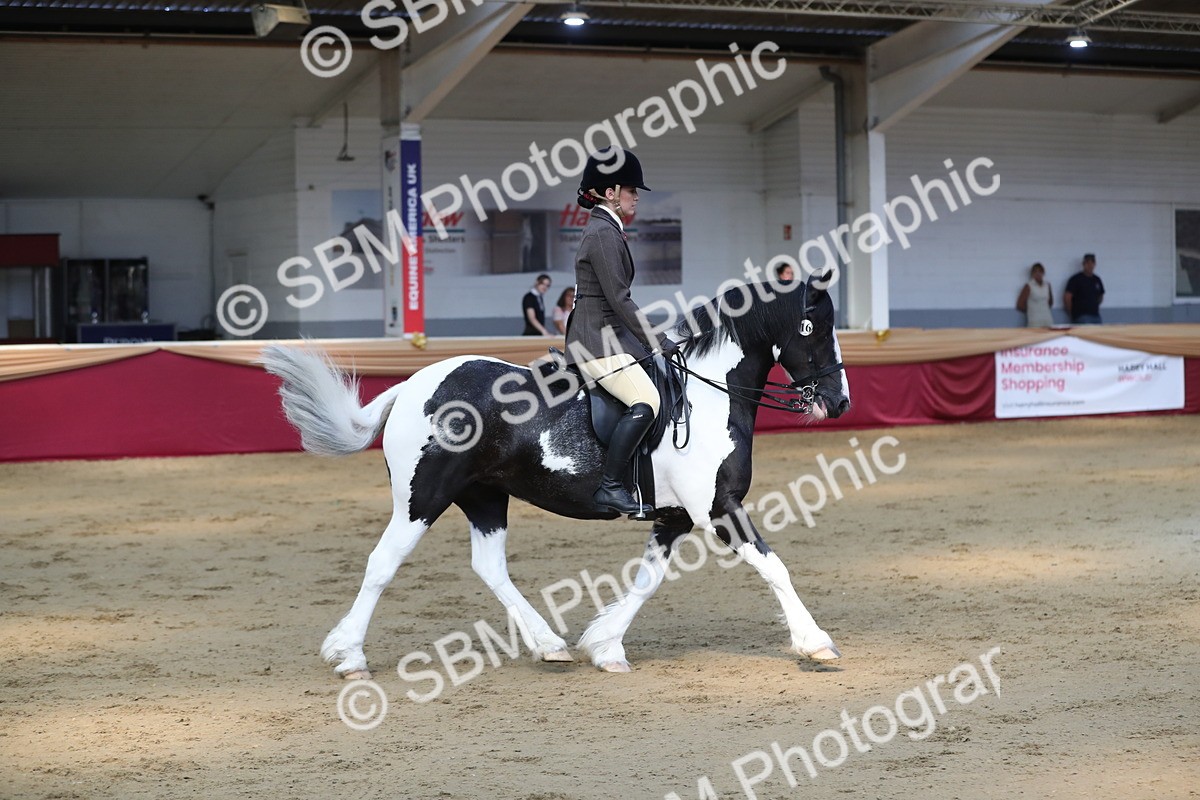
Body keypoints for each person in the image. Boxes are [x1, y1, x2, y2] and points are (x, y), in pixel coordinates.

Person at [567, 148, 678, 515]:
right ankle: (611, 486)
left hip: (608, 336)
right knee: (647, 401)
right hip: (595, 342)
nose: (636, 196)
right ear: (610, 192)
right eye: (631, 189)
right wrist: (658, 341)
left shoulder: (608, 229)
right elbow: (619, 299)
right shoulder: (603, 234)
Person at [1064, 253, 1105, 324]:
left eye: (1092, 263)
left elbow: (1101, 295)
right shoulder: (1076, 279)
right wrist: (1071, 313)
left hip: (1095, 315)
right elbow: (1067, 297)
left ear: (1094, 264)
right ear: (1083, 264)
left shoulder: (1097, 279)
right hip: (1081, 316)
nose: (1090, 266)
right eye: (1088, 263)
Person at [1017, 262, 1053, 327]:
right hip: (1034, 320)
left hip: (1047, 319)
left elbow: (1050, 302)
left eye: (1040, 271)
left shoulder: (1047, 285)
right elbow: (1020, 305)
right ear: (1032, 274)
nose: (1038, 274)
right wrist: (1031, 310)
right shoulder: (1028, 286)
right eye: (1035, 272)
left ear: (1043, 273)